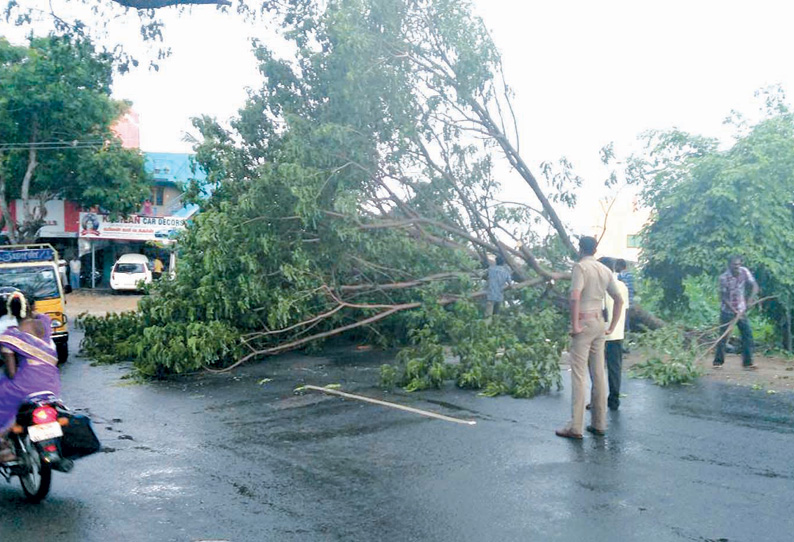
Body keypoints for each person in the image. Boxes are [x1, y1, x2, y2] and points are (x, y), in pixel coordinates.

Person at [556, 237, 623, 440]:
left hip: (584, 323)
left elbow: (575, 296)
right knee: (598, 373)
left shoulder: (580, 268)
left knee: (578, 374)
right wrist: (611, 326)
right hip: (599, 323)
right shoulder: (605, 270)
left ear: (579, 249)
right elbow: (618, 299)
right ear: (595, 249)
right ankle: (599, 423)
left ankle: (576, 426)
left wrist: (575, 324)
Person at [0, 294, 60, 462]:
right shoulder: (45, 323)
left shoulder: (9, 336)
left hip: (27, 385)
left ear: (10, 313)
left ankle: (3, 446)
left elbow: (12, 373)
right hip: (52, 383)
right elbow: (39, 315)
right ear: (31, 307)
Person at [713, 255, 759, 369]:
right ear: (729, 265)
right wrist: (734, 311)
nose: (737, 267)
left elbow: (754, 286)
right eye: (734, 265)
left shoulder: (744, 271)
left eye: (738, 264)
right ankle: (718, 362)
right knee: (723, 337)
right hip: (727, 311)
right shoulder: (724, 278)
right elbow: (724, 297)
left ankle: (748, 363)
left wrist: (750, 300)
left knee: (747, 335)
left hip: (741, 310)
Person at [599, 257, 629, 411]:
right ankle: (614, 399)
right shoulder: (622, 286)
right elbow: (624, 308)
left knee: (597, 369)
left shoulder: (601, 286)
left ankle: (597, 399)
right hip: (617, 332)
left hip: (601, 332)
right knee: (615, 368)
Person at [616, 259, 634, 331]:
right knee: (627, 320)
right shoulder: (630, 275)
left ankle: (625, 336)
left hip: (623, 301)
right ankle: (628, 336)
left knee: (623, 321)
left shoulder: (621, 275)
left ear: (619, 266)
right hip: (630, 300)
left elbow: (622, 288)